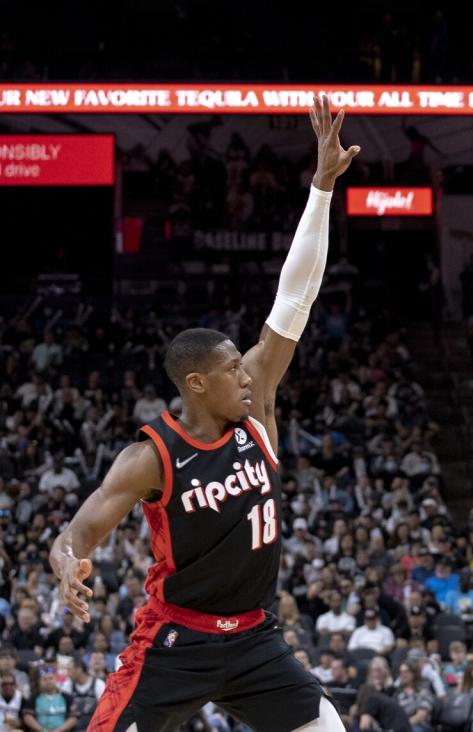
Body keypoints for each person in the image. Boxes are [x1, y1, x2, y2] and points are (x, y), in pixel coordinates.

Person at [49, 95, 360, 732]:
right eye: (230, 371)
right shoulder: (150, 456)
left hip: (255, 641)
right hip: (175, 643)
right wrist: (65, 561)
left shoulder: (259, 405)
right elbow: (80, 531)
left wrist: (322, 188)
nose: (247, 375)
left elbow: (295, 292)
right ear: (197, 383)